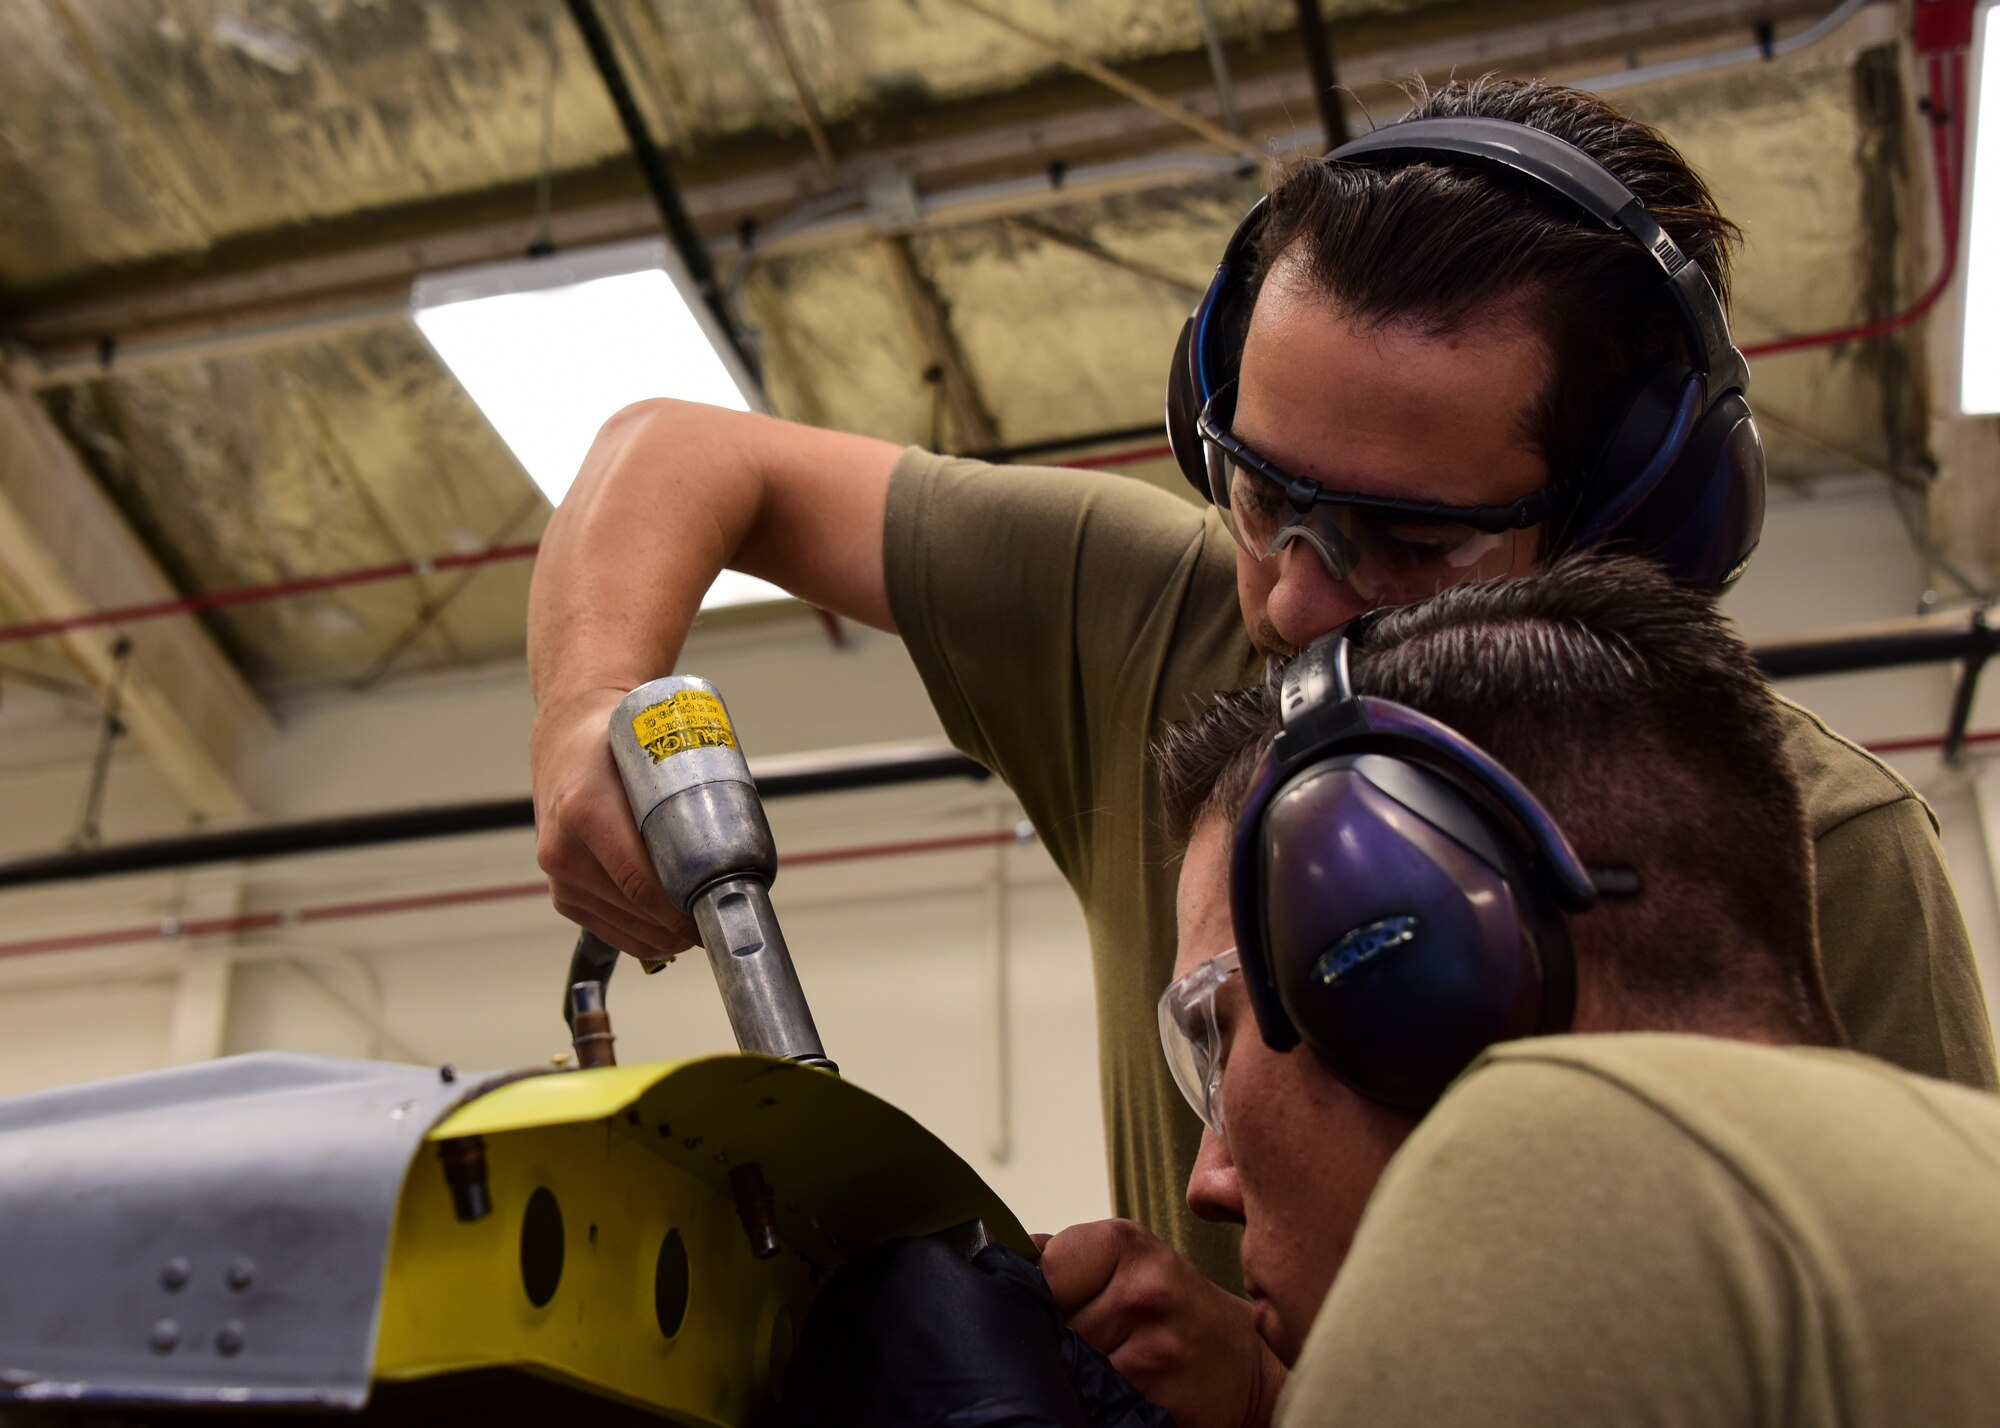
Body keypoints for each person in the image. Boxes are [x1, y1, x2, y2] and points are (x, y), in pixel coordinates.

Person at [527, 76, 1996, 1298]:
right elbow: (679, 451)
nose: (1292, 594)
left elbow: (1921, 1338)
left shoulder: (1819, 849)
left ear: (1630, 526)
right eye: (1252, 488)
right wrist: (590, 705)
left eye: (1408, 541)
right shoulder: (1148, 621)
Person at [778, 557, 2000, 1428]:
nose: (1204, 1185)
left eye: (1219, 1037)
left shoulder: (1568, 1188)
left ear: (1401, 969)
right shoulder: (1925, 1178)